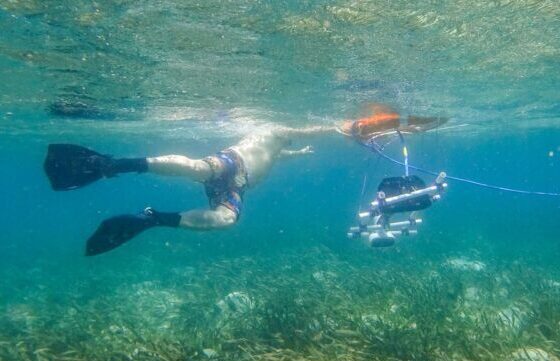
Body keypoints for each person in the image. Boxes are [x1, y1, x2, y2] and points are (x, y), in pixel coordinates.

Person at [44, 126, 335, 256]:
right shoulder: (274, 130)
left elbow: (277, 155)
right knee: (198, 169)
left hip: (238, 185)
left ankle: (152, 219)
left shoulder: (278, 146)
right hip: (231, 162)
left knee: (227, 219)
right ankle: (114, 165)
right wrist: (339, 128)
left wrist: (299, 155)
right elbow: (307, 130)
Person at [337, 103, 447, 142]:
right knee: (413, 124)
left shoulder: (360, 129)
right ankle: (442, 118)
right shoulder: (364, 134)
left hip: (393, 122)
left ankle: (442, 118)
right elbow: (386, 133)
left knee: (413, 123)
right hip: (394, 123)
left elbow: (385, 133)